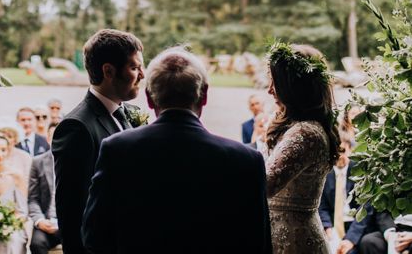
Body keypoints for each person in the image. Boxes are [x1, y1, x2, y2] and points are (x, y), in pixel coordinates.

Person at [81, 46, 272, 254]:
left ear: (149, 97)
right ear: (204, 95)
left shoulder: (117, 150)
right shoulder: (246, 160)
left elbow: (94, 236)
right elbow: (257, 243)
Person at [52, 28, 144, 254]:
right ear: (108, 71)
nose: (142, 74)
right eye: (134, 67)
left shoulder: (131, 113)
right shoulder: (76, 128)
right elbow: (71, 213)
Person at [265, 42, 342, 254]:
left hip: (293, 240)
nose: (270, 90)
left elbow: (265, 184)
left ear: (294, 88)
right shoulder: (292, 125)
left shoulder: (306, 133)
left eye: (276, 83)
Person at [318, 136, 371, 253]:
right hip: (333, 227)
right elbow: (322, 206)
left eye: (342, 151)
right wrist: (327, 227)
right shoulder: (325, 173)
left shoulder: (360, 172)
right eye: (335, 151)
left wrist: (350, 239)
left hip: (354, 226)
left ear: (350, 150)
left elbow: (365, 209)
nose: (338, 155)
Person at [27, 122, 60, 254]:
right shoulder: (37, 162)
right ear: (48, 138)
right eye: (54, 136)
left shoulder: (78, 161)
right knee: (36, 243)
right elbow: (32, 198)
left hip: (70, 222)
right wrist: (40, 220)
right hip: (46, 220)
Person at [0, 126, 32, 197]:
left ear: (15, 140)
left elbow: (29, 179)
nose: (6, 139)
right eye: (3, 136)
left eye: (9, 136)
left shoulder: (25, 156)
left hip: (20, 194)